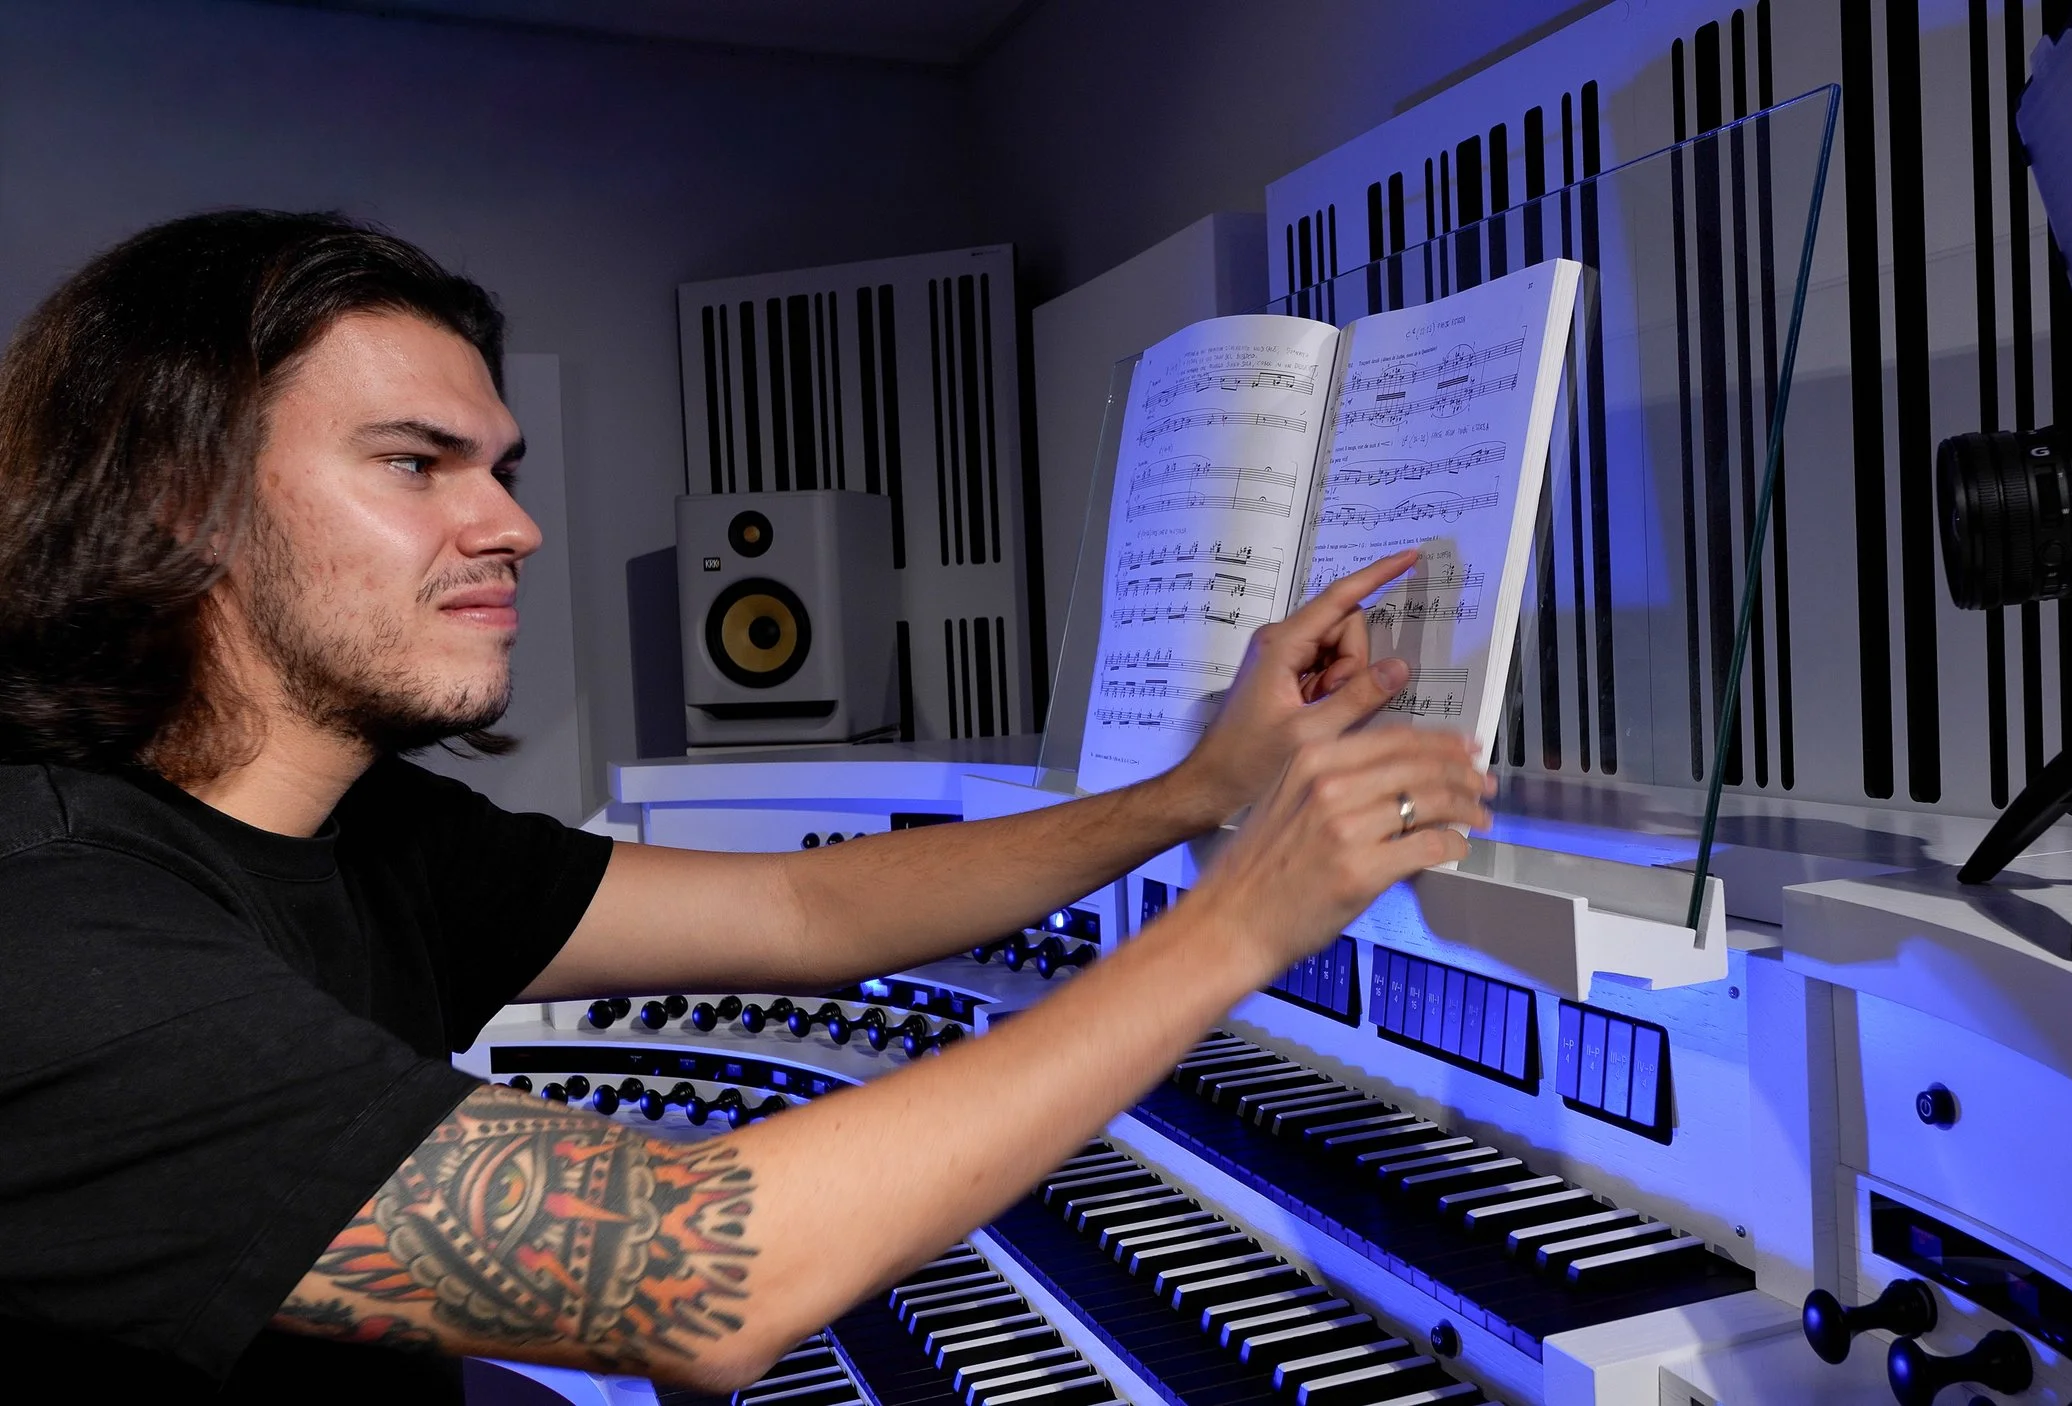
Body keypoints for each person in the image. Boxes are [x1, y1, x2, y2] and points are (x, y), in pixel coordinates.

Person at [0, 211, 1490, 1400]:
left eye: (503, 470)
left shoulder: (367, 828)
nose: (513, 525)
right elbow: (693, 1274)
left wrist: (1197, 792)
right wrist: (1242, 919)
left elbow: (806, 908)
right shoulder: (52, 927)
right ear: (180, 499)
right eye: (416, 464)